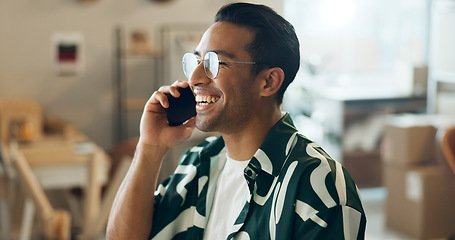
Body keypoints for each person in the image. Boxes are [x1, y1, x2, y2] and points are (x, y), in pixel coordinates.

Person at [106, 2, 366, 240]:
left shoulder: (319, 184)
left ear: (268, 81)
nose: (195, 78)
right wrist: (150, 147)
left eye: (214, 63)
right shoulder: (197, 163)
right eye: (196, 61)